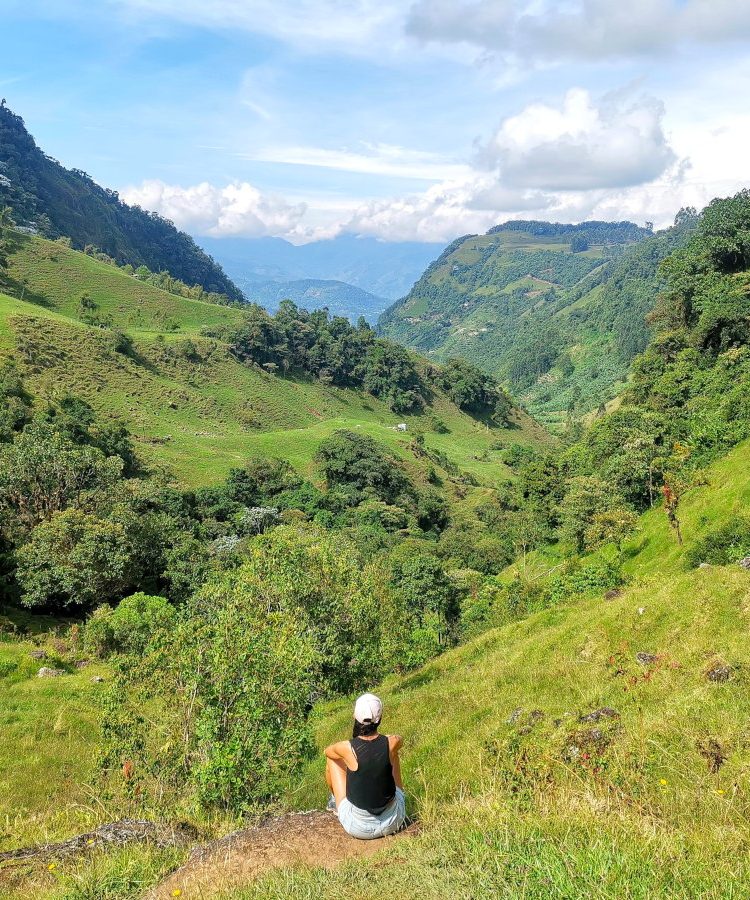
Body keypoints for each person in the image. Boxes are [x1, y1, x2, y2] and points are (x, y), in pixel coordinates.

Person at [324, 692, 406, 840]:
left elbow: (327, 751)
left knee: (332, 759)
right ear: (379, 719)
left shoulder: (347, 747)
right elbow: (400, 740)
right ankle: (398, 796)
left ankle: (335, 801)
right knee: (393, 754)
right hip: (394, 821)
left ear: (355, 717)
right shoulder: (391, 742)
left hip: (358, 828)